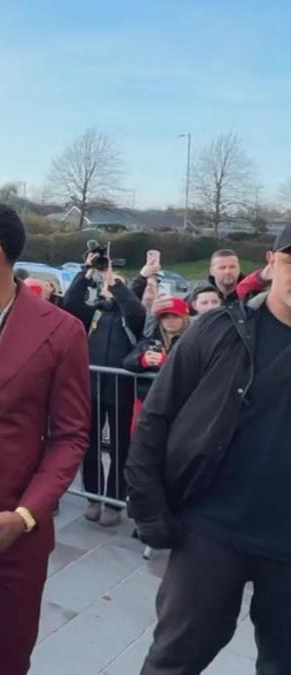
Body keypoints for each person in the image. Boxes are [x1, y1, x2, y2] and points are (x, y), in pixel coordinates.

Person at [128, 225, 291, 673]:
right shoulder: (219, 329)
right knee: (174, 660)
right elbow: (155, 418)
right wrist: (150, 509)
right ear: (271, 262)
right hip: (210, 529)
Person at [0, 204, 90, 675]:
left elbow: (70, 436)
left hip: (9, 532)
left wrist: (27, 514)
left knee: (5, 660)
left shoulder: (61, 331)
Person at [62, 247, 146, 527]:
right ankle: (93, 496)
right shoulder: (93, 313)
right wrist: (88, 271)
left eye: (116, 283)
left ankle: (113, 501)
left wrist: (116, 284)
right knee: (89, 445)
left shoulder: (130, 315)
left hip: (122, 390)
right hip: (92, 389)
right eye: (107, 284)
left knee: (120, 447)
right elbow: (70, 302)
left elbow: (135, 310)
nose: (110, 286)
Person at [123, 296, 190, 431]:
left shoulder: (191, 340)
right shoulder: (151, 338)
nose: (170, 321)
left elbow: (192, 369)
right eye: (165, 317)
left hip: (177, 403)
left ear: (184, 318)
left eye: (175, 316)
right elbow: (127, 362)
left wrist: (166, 363)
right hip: (147, 400)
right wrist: (142, 360)